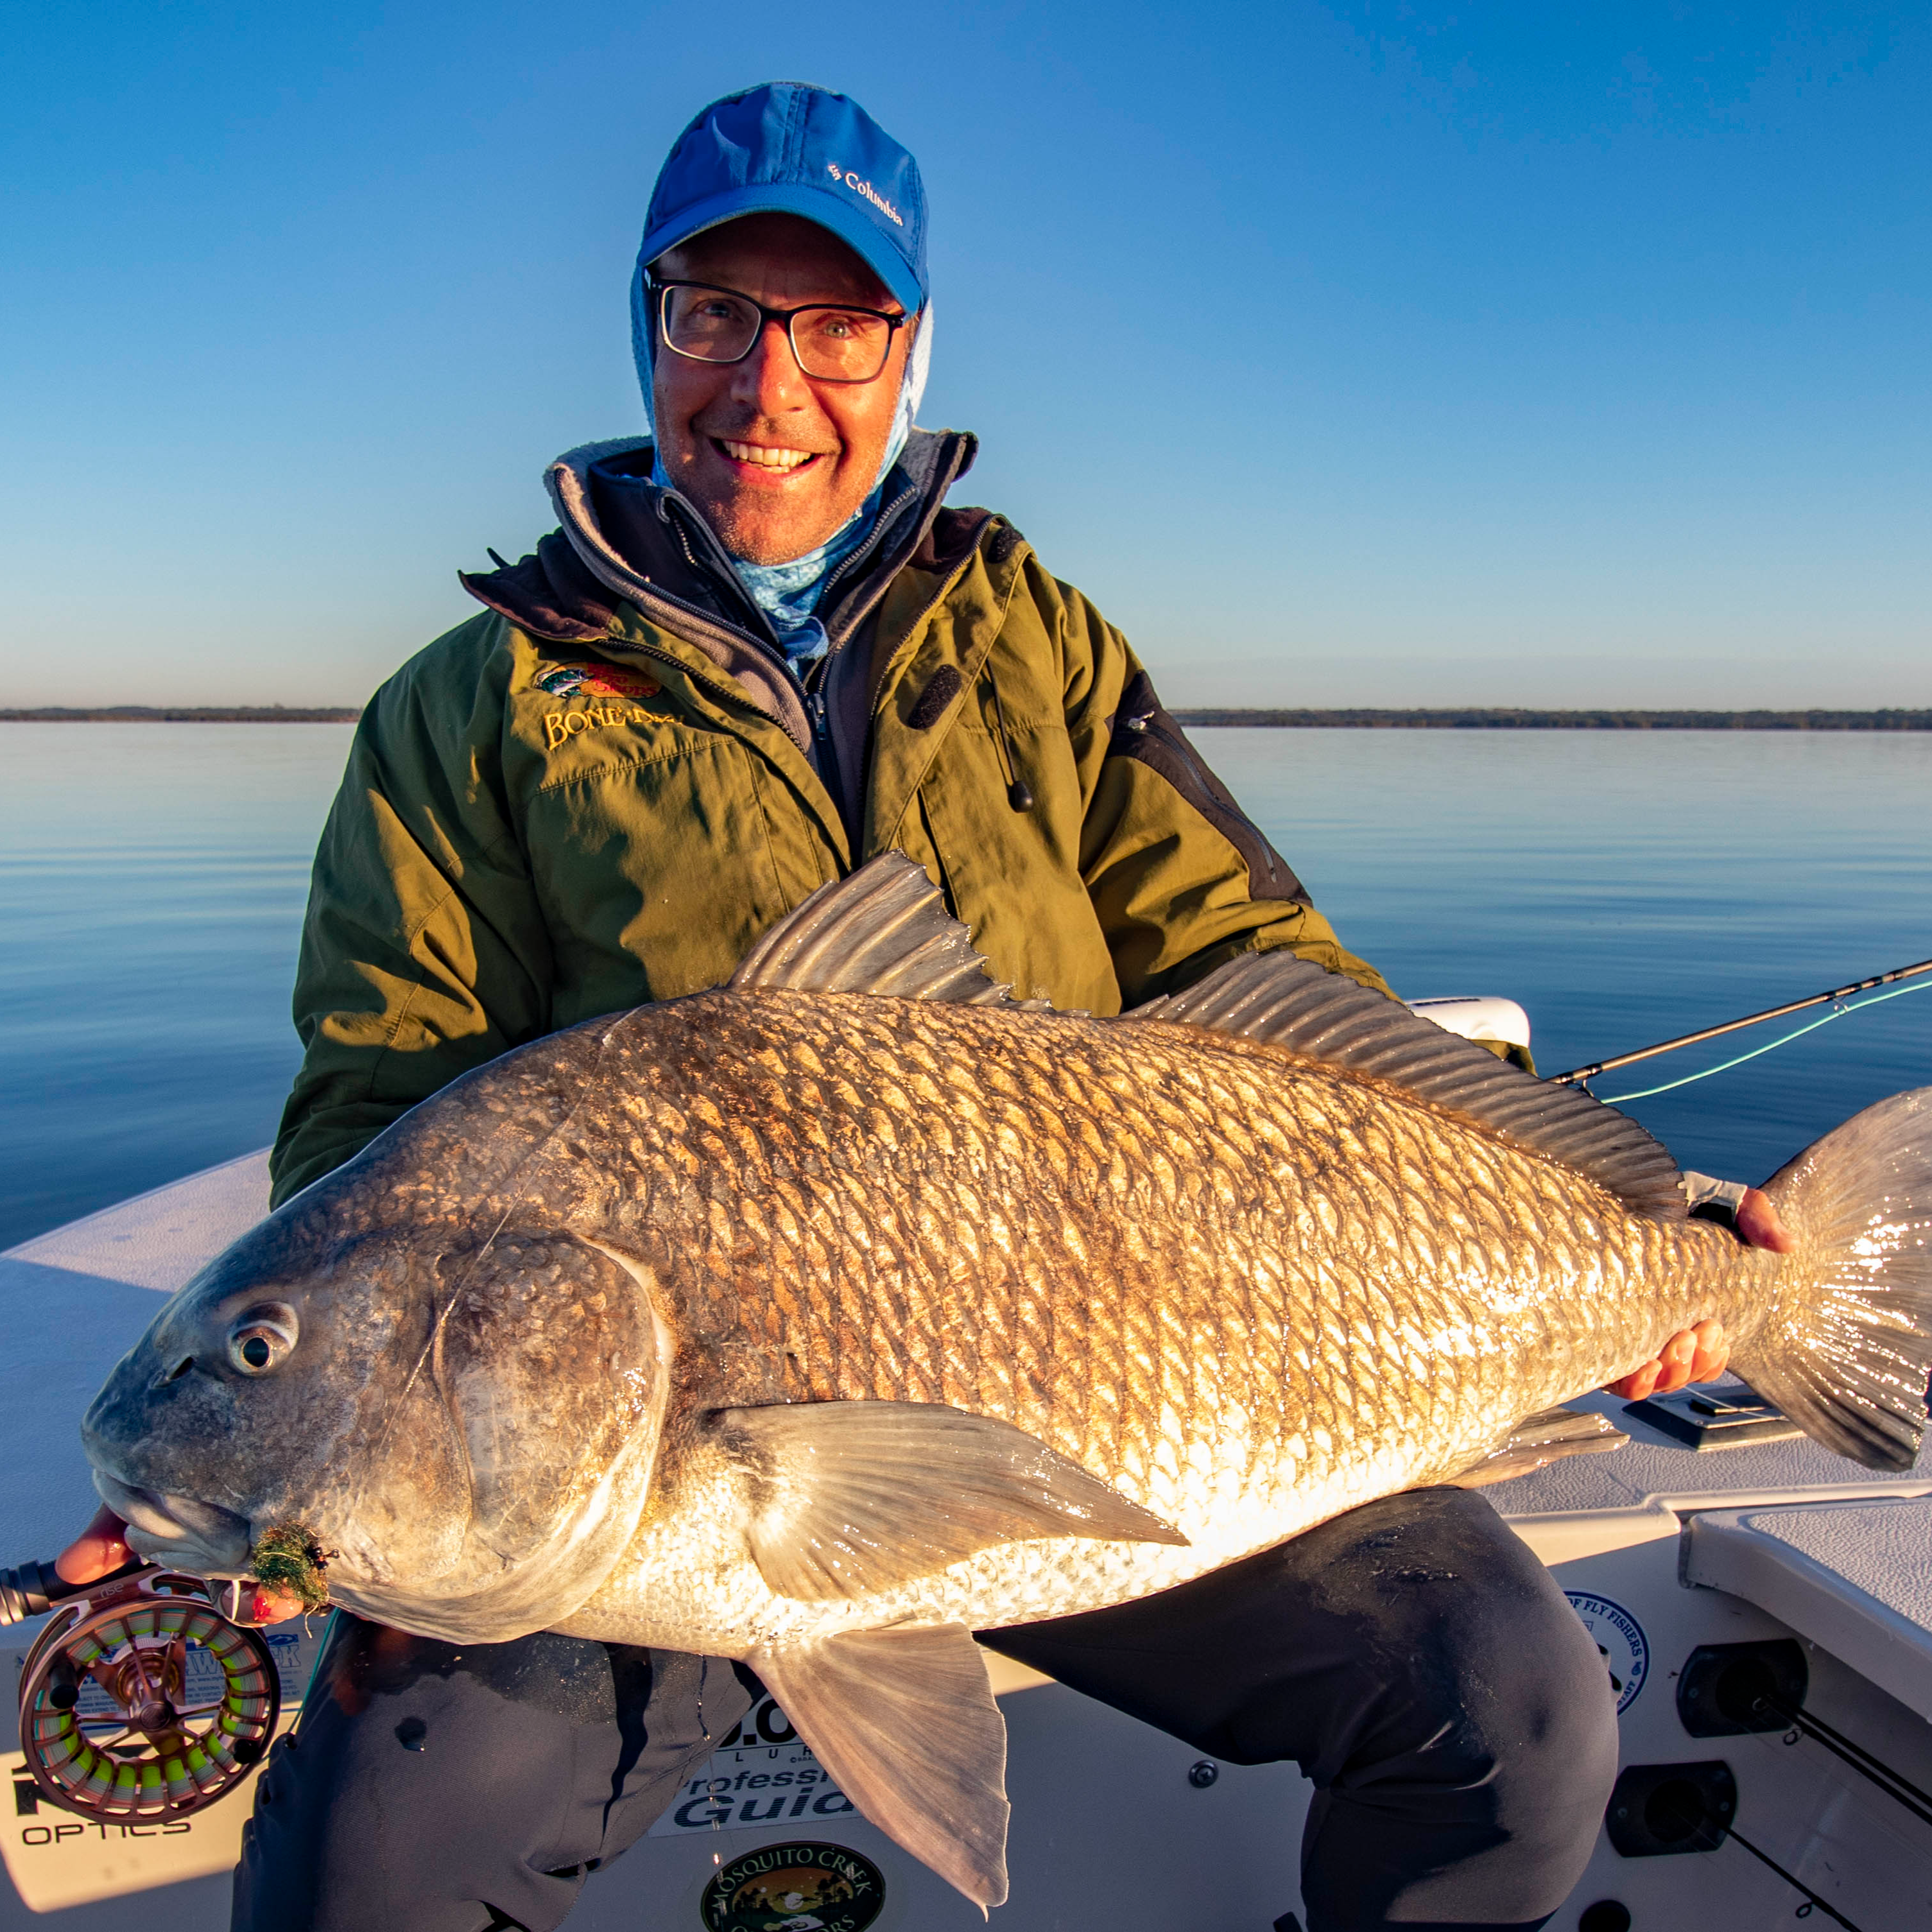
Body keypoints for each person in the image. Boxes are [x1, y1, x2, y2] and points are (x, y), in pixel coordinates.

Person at [57, 82, 1790, 1932]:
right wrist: (284, 1454)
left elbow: (1256, 967)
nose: (770, 383)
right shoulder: (470, 704)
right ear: (649, 329)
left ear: (910, 352)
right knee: (366, 1868)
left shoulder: (1040, 639)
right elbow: (373, 1122)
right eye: (715, 314)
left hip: (1160, 1407)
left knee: (1518, 1712)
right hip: (642, 1476)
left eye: (839, 325)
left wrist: (1641, 1234)